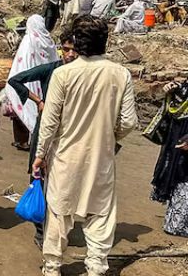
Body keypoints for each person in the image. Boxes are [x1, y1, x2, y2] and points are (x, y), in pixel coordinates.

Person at [33, 15, 138, 276]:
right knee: (100, 215)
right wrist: (109, 137)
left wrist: (39, 155)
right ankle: (95, 267)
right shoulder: (120, 74)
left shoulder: (63, 74)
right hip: (101, 158)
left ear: (77, 43)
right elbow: (129, 122)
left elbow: (49, 123)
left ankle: (53, 267)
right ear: (105, 41)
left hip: (65, 157)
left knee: (58, 213)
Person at [7, 31, 78, 248]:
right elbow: (15, 80)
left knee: (63, 179)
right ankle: (40, 229)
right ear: (60, 49)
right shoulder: (52, 69)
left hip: (68, 132)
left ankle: (57, 225)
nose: (71, 54)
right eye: (66, 49)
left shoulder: (80, 74)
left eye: (75, 50)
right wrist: (39, 100)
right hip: (44, 129)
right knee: (38, 176)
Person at [3, 15, 60, 150]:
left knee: (21, 109)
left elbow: (22, 62)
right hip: (44, 81)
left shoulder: (28, 40)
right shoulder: (49, 41)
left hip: (26, 80)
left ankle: (22, 141)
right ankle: (30, 139)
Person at [152, 79, 188, 237]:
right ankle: (176, 222)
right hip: (180, 136)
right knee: (181, 174)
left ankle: (178, 223)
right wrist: (173, 90)